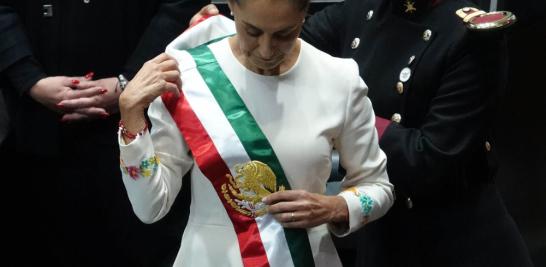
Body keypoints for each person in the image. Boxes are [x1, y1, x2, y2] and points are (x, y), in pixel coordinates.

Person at [194, 0, 534, 266]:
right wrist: (222, 31)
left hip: (454, 240)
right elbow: (282, 40)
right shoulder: (364, 9)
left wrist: (349, 113)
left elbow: (431, 158)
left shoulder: (471, 36)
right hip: (381, 238)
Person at [117, 0, 394, 266]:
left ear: (305, 13)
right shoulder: (189, 75)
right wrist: (131, 115)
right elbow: (150, 207)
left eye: (284, 34)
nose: (265, 50)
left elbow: (378, 186)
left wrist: (335, 207)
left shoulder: (340, 80)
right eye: (252, 31)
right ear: (231, 7)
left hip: (304, 258)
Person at [0, 1, 206, 266]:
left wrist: (132, 80)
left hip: (143, 115)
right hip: (35, 122)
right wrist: (27, 78)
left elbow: (180, 6)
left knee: (142, 237)